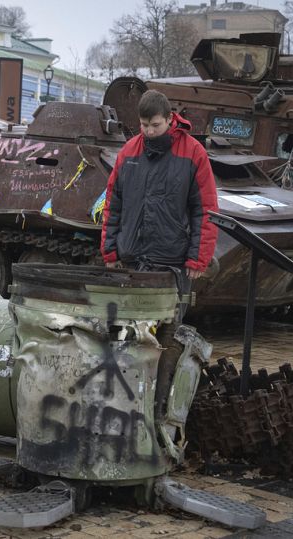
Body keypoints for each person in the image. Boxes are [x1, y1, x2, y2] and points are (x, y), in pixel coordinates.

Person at [100, 89, 218, 419]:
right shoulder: (129, 153)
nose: (149, 132)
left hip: (172, 265)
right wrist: (110, 250)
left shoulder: (193, 154)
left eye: (154, 125)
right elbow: (114, 204)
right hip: (133, 261)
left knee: (167, 338)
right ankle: (123, 406)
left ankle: (159, 409)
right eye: (143, 126)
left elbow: (205, 209)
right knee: (126, 333)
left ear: (169, 120)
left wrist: (198, 258)